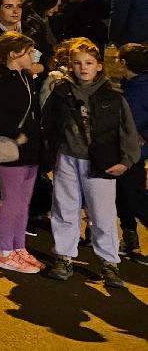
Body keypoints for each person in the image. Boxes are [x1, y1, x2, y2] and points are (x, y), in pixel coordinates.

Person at [39, 37, 141, 288]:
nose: (83, 67)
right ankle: (64, 256)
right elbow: (48, 122)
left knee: (102, 213)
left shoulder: (113, 95)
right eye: (77, 63)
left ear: (98, 66)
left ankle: (109, 262)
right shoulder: (61, 91)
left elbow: (127, 129)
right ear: (71, 65)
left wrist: (127, 160)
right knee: (64, 208)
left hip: (101, 162)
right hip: (67, 157)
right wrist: (48, 153)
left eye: (88, 63)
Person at [0, 32, 47, 274]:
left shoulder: (24, 78)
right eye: (28, 52)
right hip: (10, 151)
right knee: (12, 200)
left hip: (29, 151)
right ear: (14, 54)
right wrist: (16, 136)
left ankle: (18, 246)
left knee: (23, 202)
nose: (33, 56)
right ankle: (5, 251)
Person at [116, 43, 148, 264]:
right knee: (123, 195)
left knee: (133, 196)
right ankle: (129, 239)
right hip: (123, 151)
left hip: (134, 154)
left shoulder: (141, 88)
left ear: (123, 63)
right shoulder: (129, 84)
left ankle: (130, 239)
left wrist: (143, 135)